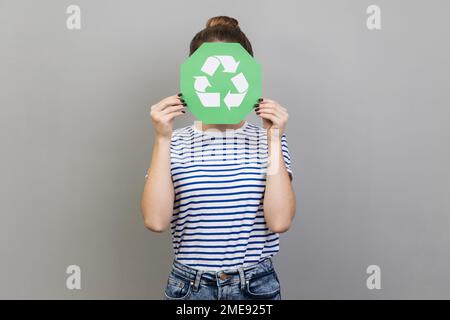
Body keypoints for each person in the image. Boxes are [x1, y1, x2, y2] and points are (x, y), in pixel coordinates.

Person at [140, 16, 296, 300]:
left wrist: (273, 139)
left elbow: (280, 221)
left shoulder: (270, 140)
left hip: (255, 287)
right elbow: (156, 220)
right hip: (190, 288)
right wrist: (162, 138)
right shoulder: (173, 142)